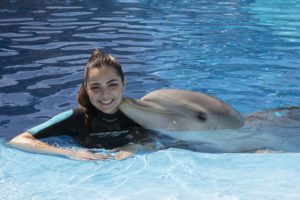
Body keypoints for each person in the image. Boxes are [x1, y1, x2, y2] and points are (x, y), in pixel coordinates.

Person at [8, 49, 152, 161]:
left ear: (124, 83)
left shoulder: (138, 114)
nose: (105, 94)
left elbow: (159, 139)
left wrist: (135, 146)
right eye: (96, 87)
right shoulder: (76, 118)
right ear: (87, 89)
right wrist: (70, 153)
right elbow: (18, 141)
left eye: (112, 84)